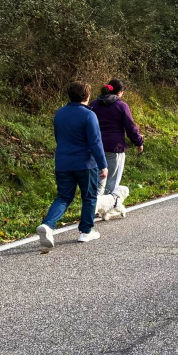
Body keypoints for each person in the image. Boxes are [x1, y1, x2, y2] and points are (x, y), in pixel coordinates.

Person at [37, 82, 109, 247]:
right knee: (89, 197)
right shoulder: (89, 115)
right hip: (85, 163)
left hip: (63, 162)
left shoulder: (59, 114)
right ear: (87, 96)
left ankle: (47, 225)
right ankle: (86, 231)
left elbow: (58, 138)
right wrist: (103, 164)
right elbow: (95, 143)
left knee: (63, 197)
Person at [89, 78, 144, 196]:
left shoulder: (93, 104)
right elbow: (131, 127)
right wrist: (139, 142)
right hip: (114, 148)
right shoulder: (121, 106)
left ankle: (93, 208)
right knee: (111, 180)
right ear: (120, 92)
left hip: (95, 147)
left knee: (97, 180)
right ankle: (106, 208)